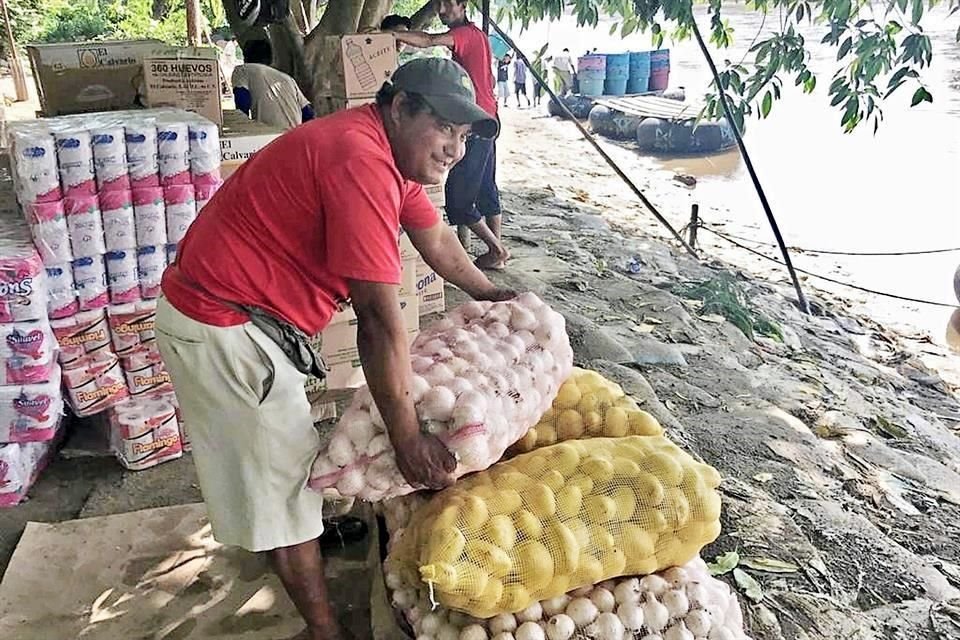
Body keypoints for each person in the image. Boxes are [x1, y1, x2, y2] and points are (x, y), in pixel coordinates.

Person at [157, 57, 514, 640]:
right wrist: (405, 440)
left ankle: (300, 535)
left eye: (464, 137)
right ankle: (325, 630)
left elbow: (438, 240)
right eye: (445, 129)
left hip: (251, 319)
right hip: (222, 324)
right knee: (280, 488)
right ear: (401, 108)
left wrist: (493, 292)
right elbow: (377, 318)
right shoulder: (360, 160)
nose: (454, 149)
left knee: (287, 463)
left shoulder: (391, 156)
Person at [394, 0, 510, 270]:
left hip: (475, 122)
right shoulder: (478, 36)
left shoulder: (465, 35)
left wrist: (392, 35)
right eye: (438, 6)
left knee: (458, 198)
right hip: (489, 118)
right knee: (486, 190)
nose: (441, 11)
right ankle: (496, 254)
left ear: (462, 4)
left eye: (447, 5)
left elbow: (428, 40)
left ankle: (497, 249)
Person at [232, 40, 315, 130]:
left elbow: (242, 102)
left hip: (269, 135)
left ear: (245, 56)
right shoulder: (287, 78)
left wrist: (243, 129)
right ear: (271, 58)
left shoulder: (243, 70)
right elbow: (307, 113)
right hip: (294, 135)